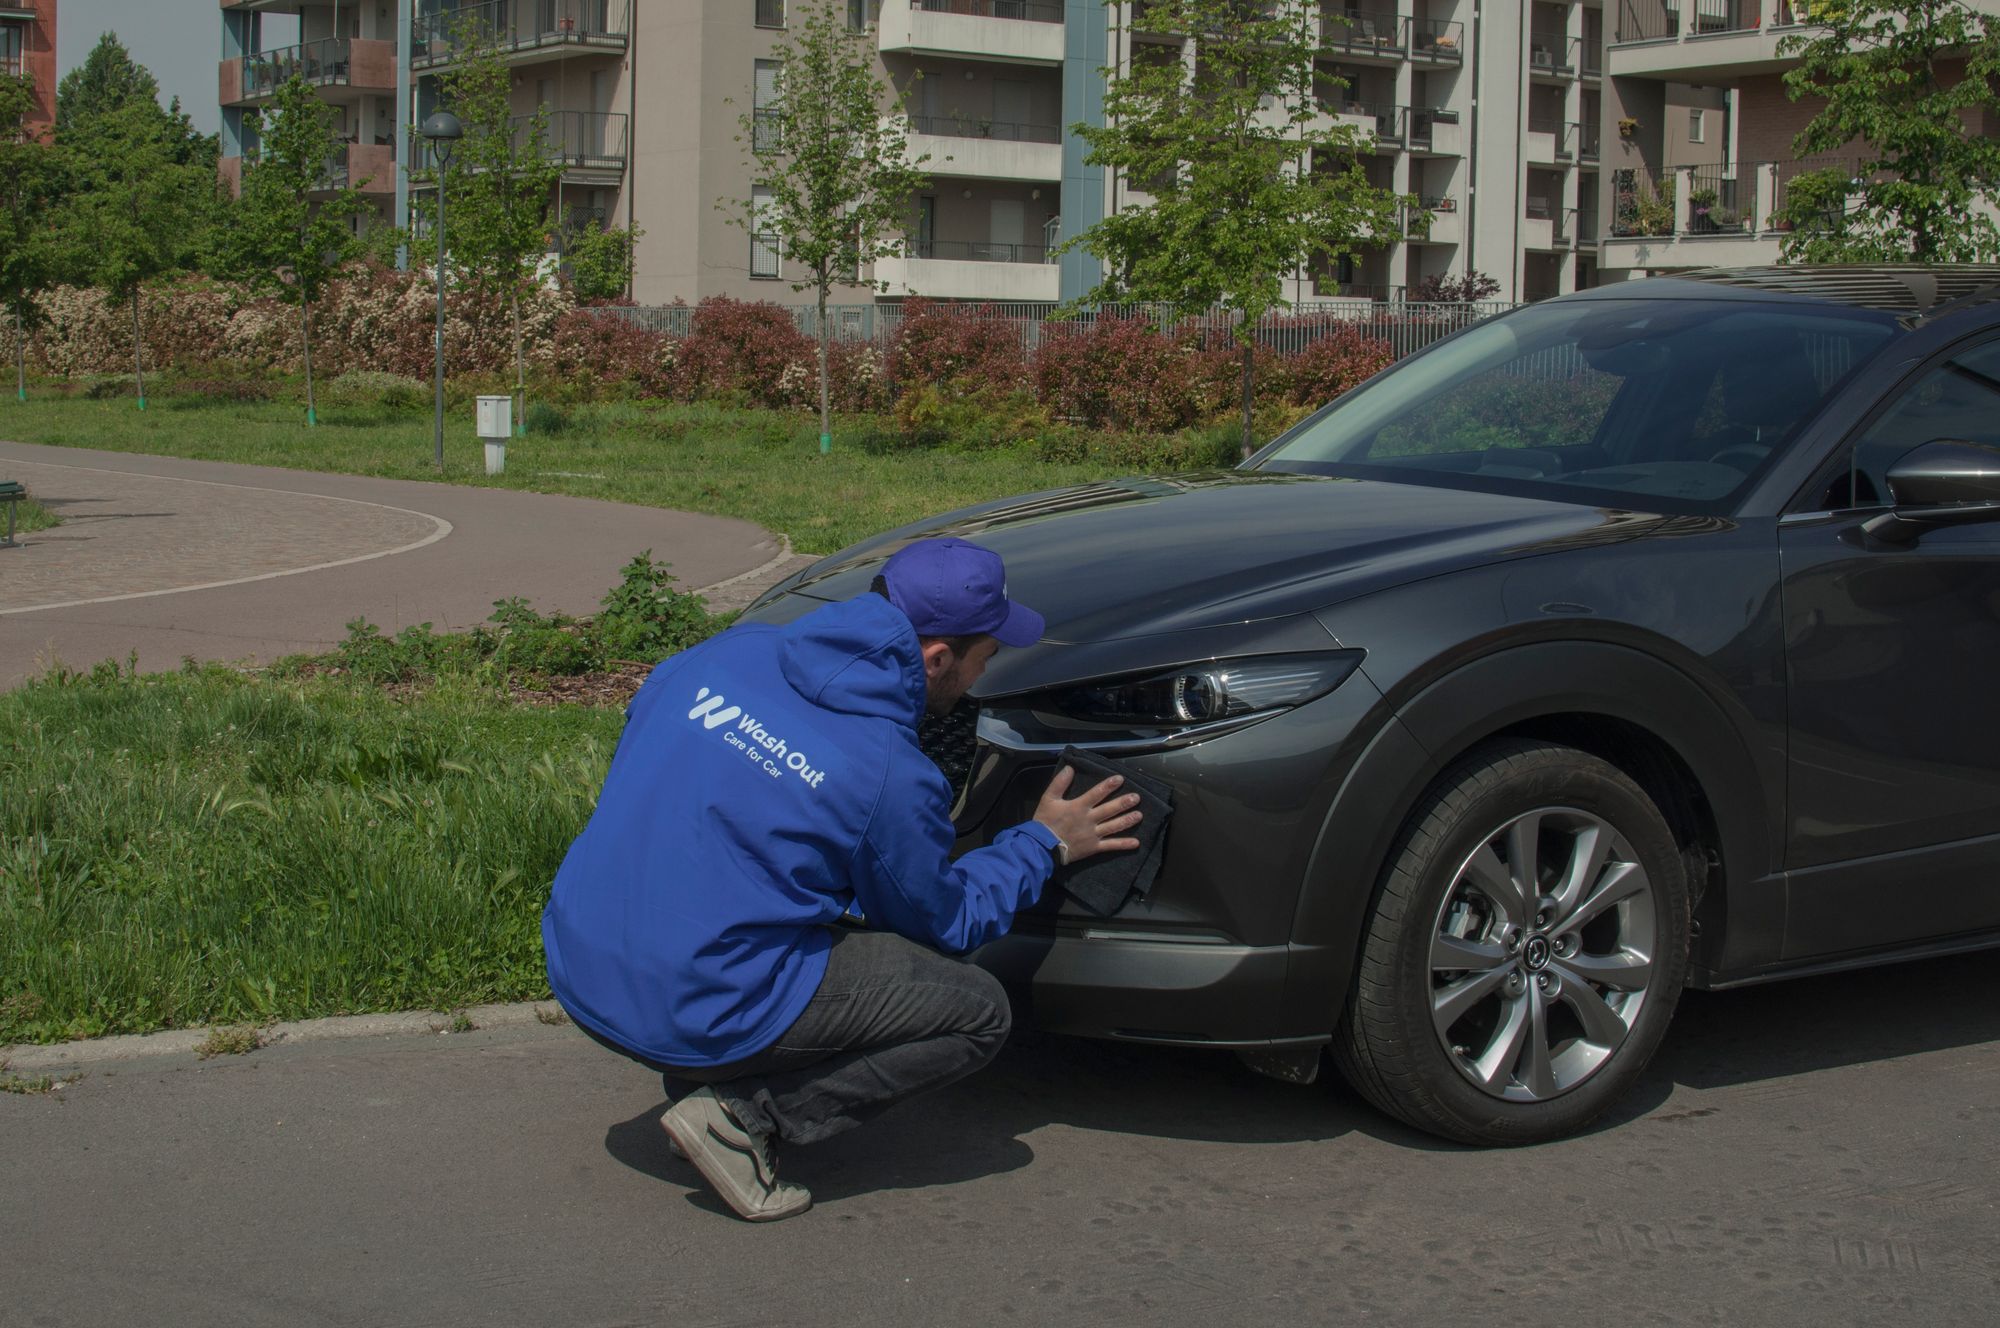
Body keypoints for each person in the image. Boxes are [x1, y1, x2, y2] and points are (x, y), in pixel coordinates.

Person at [542, 537, 1143, 1223]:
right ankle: (742, 1117)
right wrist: (1043, 842)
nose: (985, 675)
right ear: (937, 658)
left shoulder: (726, 653)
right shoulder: (887, 772)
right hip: (692, 999)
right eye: (988, 656)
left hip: (580, 958)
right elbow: (947, 923)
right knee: (977, 1011)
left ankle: (706, 1063)